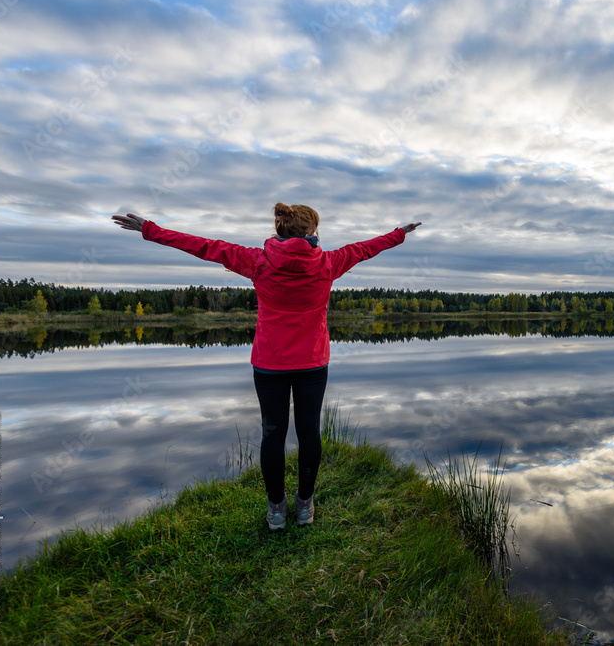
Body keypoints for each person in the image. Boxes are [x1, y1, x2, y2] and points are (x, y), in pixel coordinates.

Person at [112, 205, 421, 531]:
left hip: (270, 364)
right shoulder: (328, 262)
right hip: (313, 364)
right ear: (311, 233)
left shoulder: (258, 260)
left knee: (272, 434)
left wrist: (149, 229)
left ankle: (276, 509)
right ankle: (304, 504)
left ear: (281, 230)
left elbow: (202, 246)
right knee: (309, 432)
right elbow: (366, 249)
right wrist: (399, 234)